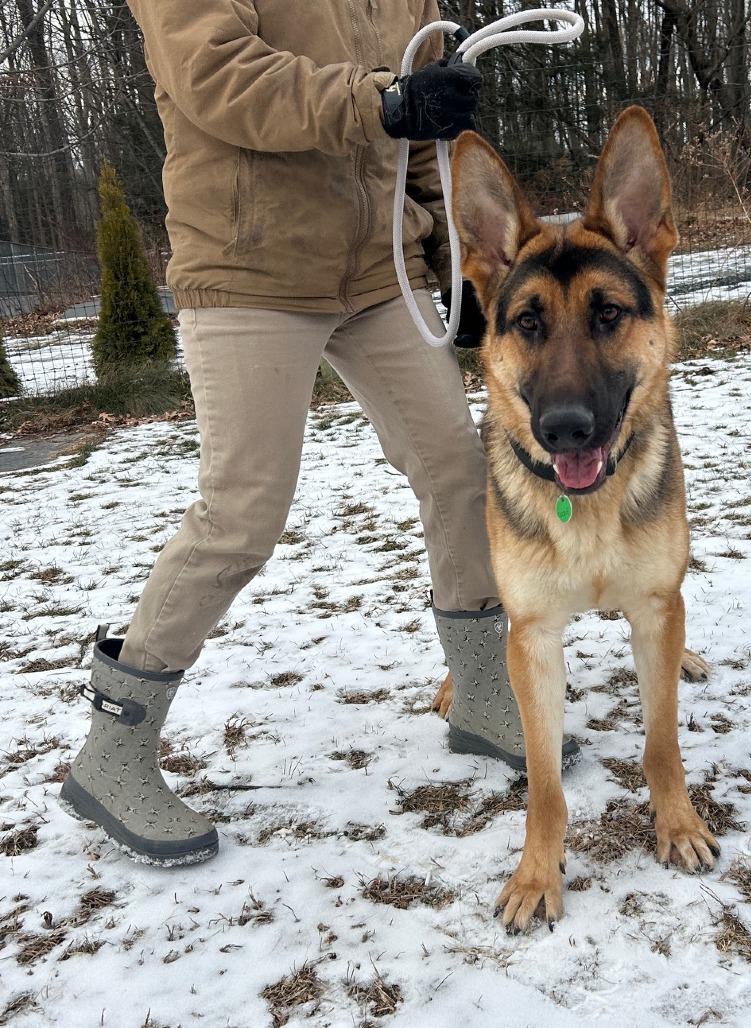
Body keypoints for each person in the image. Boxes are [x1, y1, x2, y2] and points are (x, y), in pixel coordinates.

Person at [59, 0, 576, 868]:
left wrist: (458, 274)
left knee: (459, 470)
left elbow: (423, 150)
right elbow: (216, 76)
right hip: (248, 266)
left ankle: (485, 695)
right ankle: (114, 751)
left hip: (377, 271)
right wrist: (381, 102)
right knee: (241, 514)